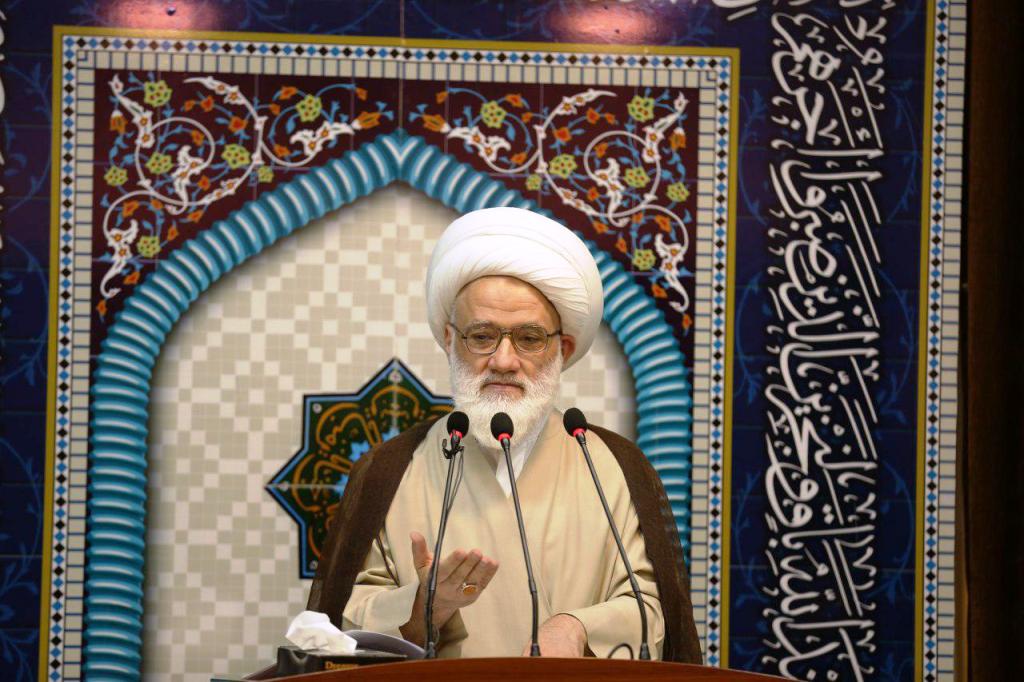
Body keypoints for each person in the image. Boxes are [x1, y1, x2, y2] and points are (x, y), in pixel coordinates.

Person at [306, 207, 701, 661]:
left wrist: (576, 628)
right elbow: (342, 630)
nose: (504, 361)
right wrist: (422, 607)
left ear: (562, 348)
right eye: (482, 336)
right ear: (450, 341)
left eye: (529, 338)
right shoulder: (389, 470)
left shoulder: (613, 466)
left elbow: (651, 608)